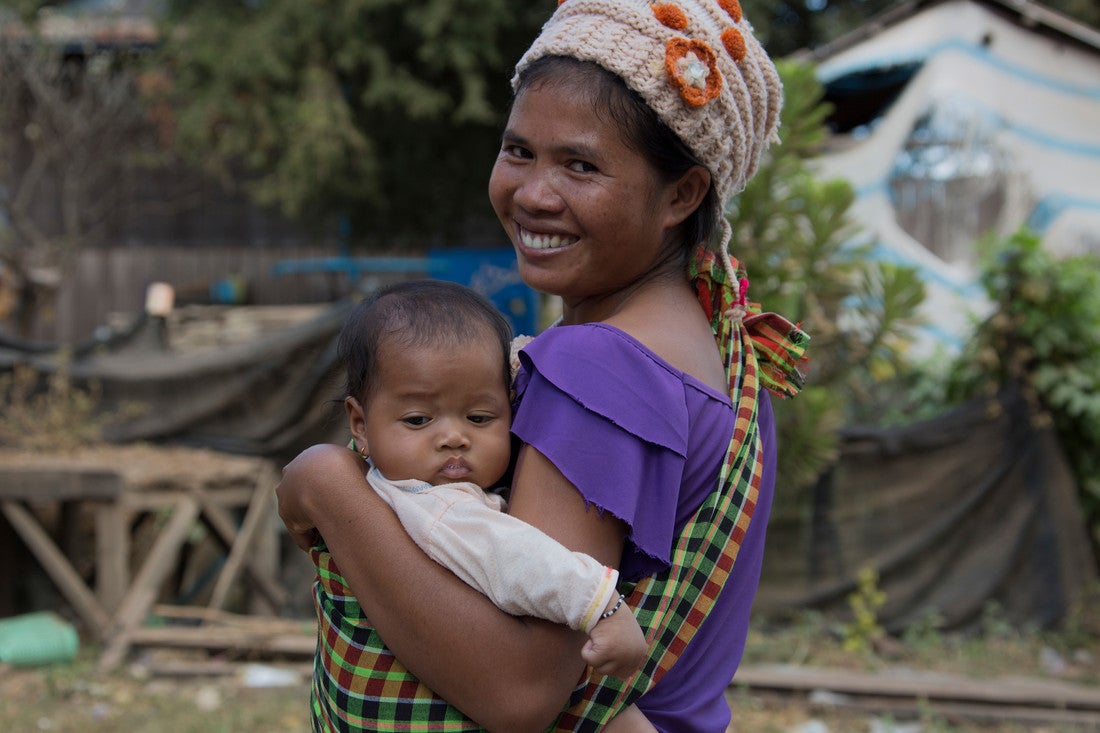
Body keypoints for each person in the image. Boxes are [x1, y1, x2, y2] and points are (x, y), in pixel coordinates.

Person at [277, 0, 809, 730]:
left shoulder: (599, 368)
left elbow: (520, 689)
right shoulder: (714, 343)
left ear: (681, 195)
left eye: (581, 165)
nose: (533, 193)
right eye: (519, 150)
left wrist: (328, 484)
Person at [322, 279, 648, 688]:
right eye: (418, 420)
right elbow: (512, 556)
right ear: (360, 424)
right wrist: (600, 605)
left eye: (479, 418)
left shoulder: (381, 490)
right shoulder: (437, 506)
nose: (454, 438)